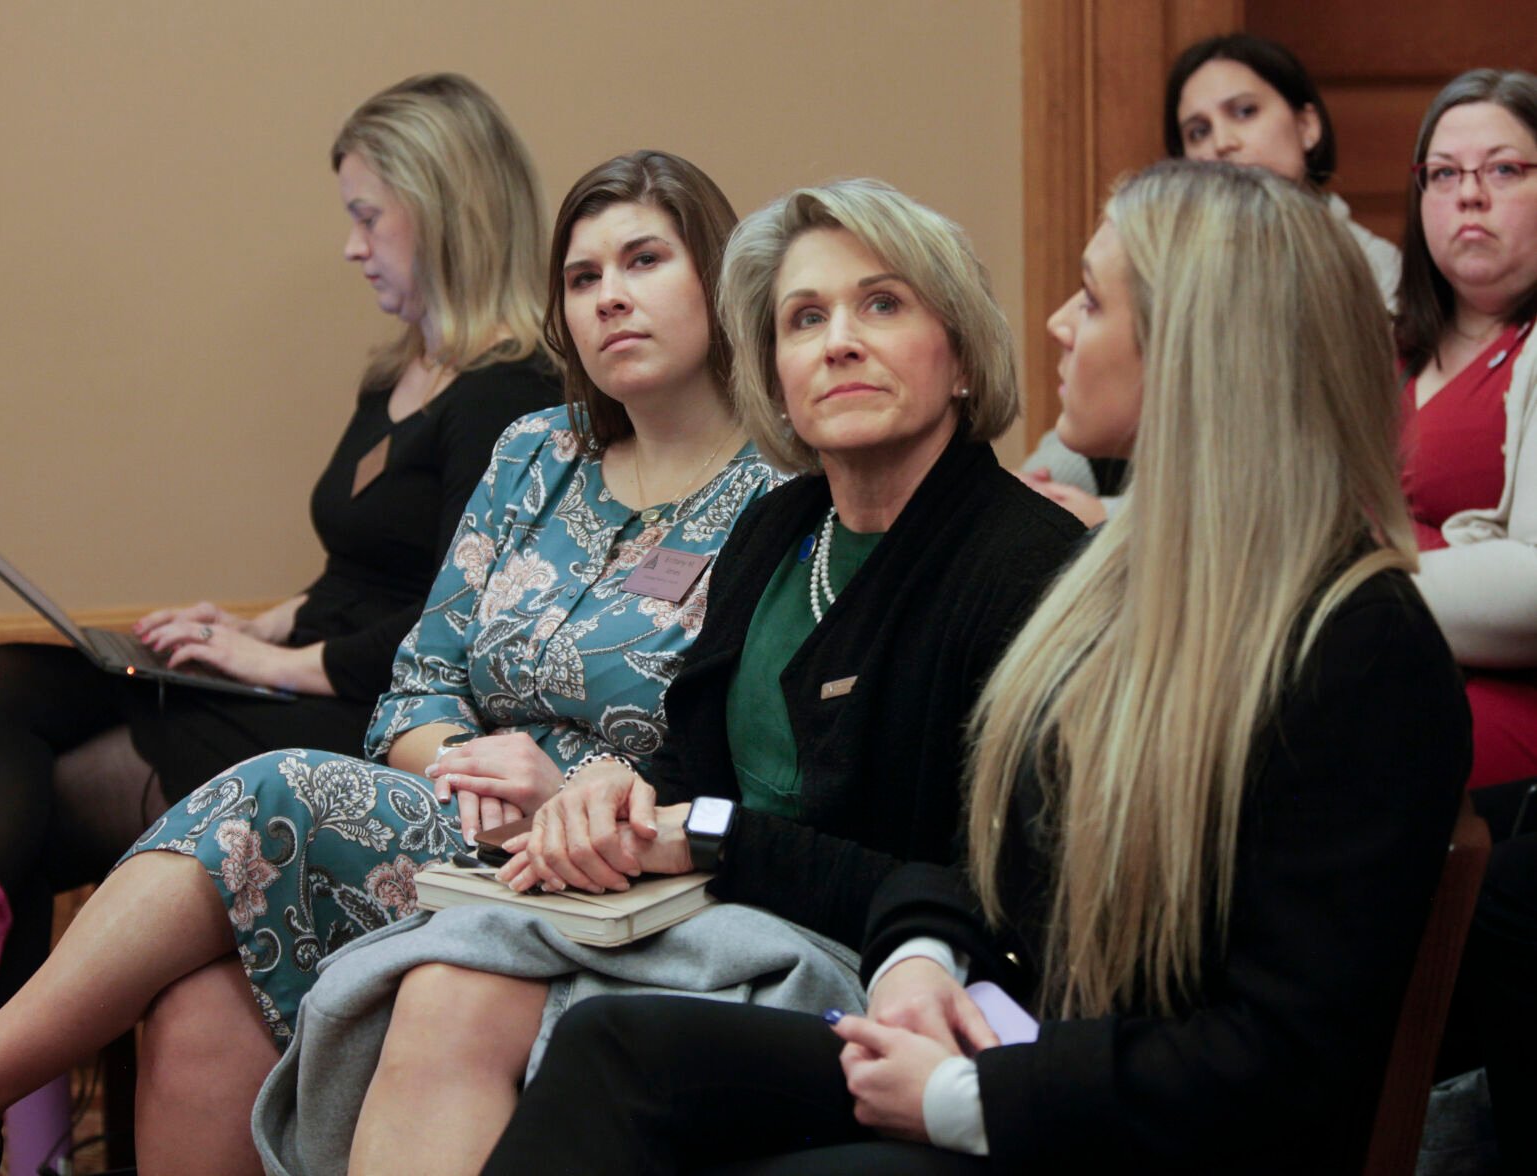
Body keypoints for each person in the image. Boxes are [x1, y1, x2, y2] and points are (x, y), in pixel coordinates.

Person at [0, 149, 777, 1176]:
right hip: (457, 828)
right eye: (581, 277)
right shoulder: (533, 452)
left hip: (625, 871)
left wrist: (560, 794)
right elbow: (415, 690)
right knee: (196, 1003)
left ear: (715, 275)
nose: (610, 297)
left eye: (643, 261)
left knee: (272, 789)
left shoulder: (781, 495)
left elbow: (750, 769)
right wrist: (472, 777)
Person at [481, 160, 1472, 1175]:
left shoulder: (1357, 648)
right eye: (802, 319)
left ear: (1192, 350)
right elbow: (993, 867)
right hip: (1014, 1042)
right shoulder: (1123, 585)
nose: (1053, 323)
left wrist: (963, 1093)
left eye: (1090, 299)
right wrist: (918, 958)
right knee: (616, 1048)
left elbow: (1283, 1070)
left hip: (1120, 1125)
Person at [276, 178, 1088, 1176]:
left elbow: (972, 891)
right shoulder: (777, 532)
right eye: (802, 319)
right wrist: (619, 795)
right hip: (712, 911)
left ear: (958, 353)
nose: (837, 342)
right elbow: (687, 764)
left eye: (881, 305)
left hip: (894, 968)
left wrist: (699, 833)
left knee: (476, 993)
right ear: (773, 375)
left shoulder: (1022, 564)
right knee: (438, 976)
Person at [0, 72, 559, 1103]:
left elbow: (452, 625)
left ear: (445, 206)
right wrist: (237, 625)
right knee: (0, 684)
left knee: (30, 804)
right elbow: (356, 572)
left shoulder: (514, 394)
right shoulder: (395, 374)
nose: (351, 244)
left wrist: (269, 659)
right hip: (288, 677)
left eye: (367, 215)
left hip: (362, 725)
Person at [1021, 32, 1400, 527]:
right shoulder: (1190, 261)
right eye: (1197, 132)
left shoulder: (1366, 269)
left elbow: (1273, 454)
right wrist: (1035, 486)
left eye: (1244, 112)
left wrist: (1108, 515)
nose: (1223, 142)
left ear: (1307, 125)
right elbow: (1128, 390)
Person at [1398, 68, 1537, 1171]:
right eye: (1443, 175)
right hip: (1379, 723)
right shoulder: (1380, 347)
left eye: (1502, 170)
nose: (1468, 198)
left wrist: (1361, 573)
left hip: (1504, 768)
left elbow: (1533, 591)